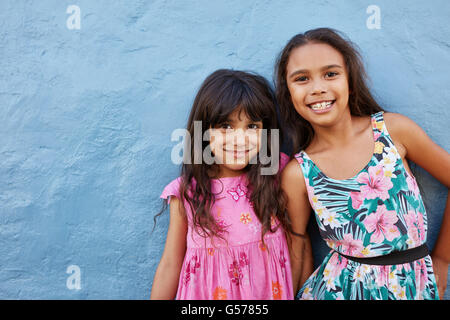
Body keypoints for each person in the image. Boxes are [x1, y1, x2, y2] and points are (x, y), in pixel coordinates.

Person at [275, 28, 450, 300]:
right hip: (339, 291)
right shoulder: (299, 173)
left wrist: (441, 260)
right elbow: (298, 243)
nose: (318, 88)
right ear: (288, 94)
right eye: (301, 79)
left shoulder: (393, 131)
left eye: (331, 74)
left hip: (413, 288)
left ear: (350, 82)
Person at [150, 69, 306, 300]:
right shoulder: (187, 193)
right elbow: (171, 263)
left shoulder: (280, 175)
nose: (239, 139)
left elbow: (300, 245)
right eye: (226, 126)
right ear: (204, 131)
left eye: (252, 126)